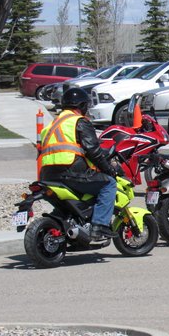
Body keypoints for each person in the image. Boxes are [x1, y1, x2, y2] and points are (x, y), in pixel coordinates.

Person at [39, 88, 118, 240]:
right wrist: (108, 169)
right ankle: (100, 226)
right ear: (82, 106)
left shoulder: (51, 125)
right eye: (86, 105)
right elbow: (93, 150)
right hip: (71, 172)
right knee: (109, 184)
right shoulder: (79, 121)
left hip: (47, 175)